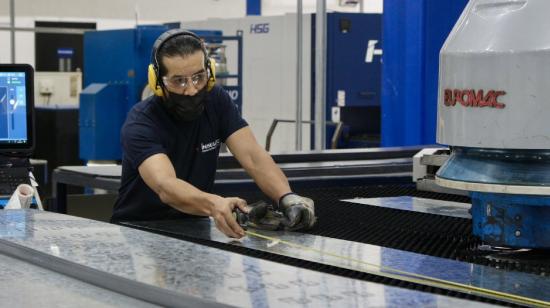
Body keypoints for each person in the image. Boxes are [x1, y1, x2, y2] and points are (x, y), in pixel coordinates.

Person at [111, 29, 315, 238]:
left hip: (195, 227)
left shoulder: (216, 101)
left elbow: (253, 156)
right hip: (140, 230)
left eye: (198, 77)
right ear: (158, 82)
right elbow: (166, 185)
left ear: (210, 72)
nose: (191, 90)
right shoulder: (142, 122)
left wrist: (287, 197)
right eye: (178, 81)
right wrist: (214, 204)